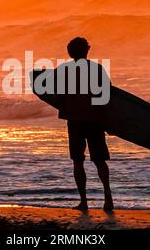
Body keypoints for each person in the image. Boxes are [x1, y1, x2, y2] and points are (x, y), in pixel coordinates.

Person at [55, 37, 113, 211]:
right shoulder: (96, 69)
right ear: (87, 50)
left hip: (75, 121)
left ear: (69, 52)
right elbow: (108, 95)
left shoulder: (64, 70)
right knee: (100, 160)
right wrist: (111, 121)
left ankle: (84, 201)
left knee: (78, 161)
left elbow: (55, 94)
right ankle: (108, 197)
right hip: (95, 120)